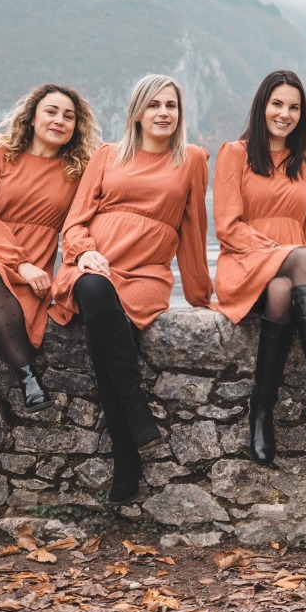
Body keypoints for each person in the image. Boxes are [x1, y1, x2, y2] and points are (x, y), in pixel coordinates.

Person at [49, 74, 213, 504]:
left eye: (171, 105)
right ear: (137, 112)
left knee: (105, 335)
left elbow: (194, 229)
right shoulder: (107, 155)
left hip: (146, 273)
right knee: (96, 293)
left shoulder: (192, 159)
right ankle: (135, 414)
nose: (163, 112)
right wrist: (84, 252)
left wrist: (201, 294)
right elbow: (75, 222)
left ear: (180, 113)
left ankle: (126, 453)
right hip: (95, 264)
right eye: (154, 104)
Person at [0, 84, 101, 475]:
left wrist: (84, 256)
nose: (59, 120)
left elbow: (81, 224)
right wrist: (21, 264)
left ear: (77, 126)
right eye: (51, 111)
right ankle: (28, 376)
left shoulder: (78, 171)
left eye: (68, 116)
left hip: (31, 271)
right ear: (32, 117)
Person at [212, 70, 306, 466]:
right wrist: (277, 252)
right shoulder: (235, 153)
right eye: (277, 104)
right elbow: (227, 226)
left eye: (294, 107)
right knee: (300, 256)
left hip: (292, 274)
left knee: (285, 287)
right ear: (262, 106)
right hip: (245, 262)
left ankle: (261, 410)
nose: (285, 114)